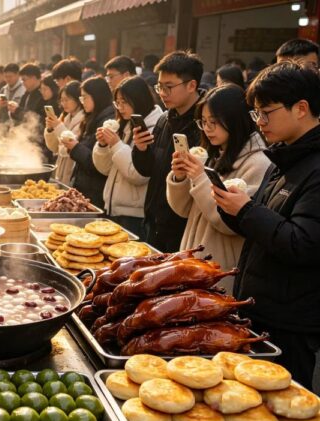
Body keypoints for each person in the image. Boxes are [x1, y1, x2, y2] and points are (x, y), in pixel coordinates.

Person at [214, 62, 320, 391]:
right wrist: (233, 207)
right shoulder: (285, 156)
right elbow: (263, 223)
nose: (260, 123)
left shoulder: (315, 167)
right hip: (260, 308)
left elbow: (303, 243)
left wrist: (246, 210)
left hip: (289, 322)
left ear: (301, 108)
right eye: (256, 114)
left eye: (266, 113)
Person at [167, 85, 270, 294]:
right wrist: (179, 178)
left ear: (235, 119)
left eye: (214, 122)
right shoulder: (215, 154)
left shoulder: (258, 162)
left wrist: (199, 177)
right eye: (203, 122)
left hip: (221, 269)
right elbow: (183, 210)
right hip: (194, 259)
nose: (207, 128)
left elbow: (230, 223)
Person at [132, 51, 204, 251]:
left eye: (169, 87)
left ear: (191, 85)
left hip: (181, 228)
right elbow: (147, 170)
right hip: (153, 220)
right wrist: (141, 149)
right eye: (159, 86)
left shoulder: (205, 124)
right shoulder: (164, 119)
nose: (162, 93)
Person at [93, 76, 161, 237]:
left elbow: (139, 175)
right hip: (114, 208)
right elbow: (104, 169)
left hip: (134, 216)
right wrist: (103, 145)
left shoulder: (151, 129)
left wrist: (116, 144)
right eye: (118, 102)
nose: (120, 108)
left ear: (139, 100)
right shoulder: (127, 125)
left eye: (125, 102)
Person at [61, 77, 114, 208]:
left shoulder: (107, 123)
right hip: (85, 186)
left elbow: (98, 164)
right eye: (81, 98)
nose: (82, 102)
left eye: (85, 97)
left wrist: (75, 147)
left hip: (95, 191)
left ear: (97, 96)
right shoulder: (92, 117)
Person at [45, 81, 84, 185]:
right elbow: (54, 147)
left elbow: (67, 148)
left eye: (67, 100)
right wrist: (50, 129)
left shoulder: (83, 119)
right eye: (62, 100)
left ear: (78, 99)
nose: (63, 103)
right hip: (61, 170)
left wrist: (57, 126)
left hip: (72, 171)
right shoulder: (66, 118)